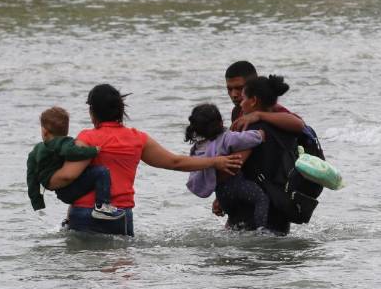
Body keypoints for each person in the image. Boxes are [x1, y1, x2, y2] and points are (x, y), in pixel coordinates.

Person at [48, 84, 242, 236]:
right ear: (120, 110)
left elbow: (67, 176)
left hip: (84, 213)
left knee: (85, 269)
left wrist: (44, 181)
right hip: (120, 216)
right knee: (118, 270)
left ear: (92, 112)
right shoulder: (137, 139)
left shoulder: (87, 138)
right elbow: (175, 162)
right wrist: (215, 162)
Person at [214, 60, 306, 218]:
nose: (234, 94)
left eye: (239, 88)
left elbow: (299, 124)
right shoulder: (238, 111)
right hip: (249, 188)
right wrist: (222, 195)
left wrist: (259, 115)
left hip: (271, 191)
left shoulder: (270, 110)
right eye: (229, 89)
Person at [27, 106, 124, 220]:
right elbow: (73, 152)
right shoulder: (64, 143)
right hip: (68, 189)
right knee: (101, 172)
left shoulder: (35, 151)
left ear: (44, 131)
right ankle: (102, 207)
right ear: (66, 130)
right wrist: (93, 150)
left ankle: (68, 221)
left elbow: (31, 178)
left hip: (59, 191)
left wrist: (37, 203)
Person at [184, 105, 270, 230]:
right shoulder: (226, 138)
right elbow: (246, 139)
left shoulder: (197, 148)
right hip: (237, 186)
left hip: (221, 196)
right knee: (261, 198)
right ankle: (261, 230)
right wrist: (260, 134)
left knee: (235, 223)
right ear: (221, 123)